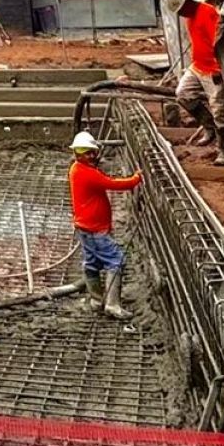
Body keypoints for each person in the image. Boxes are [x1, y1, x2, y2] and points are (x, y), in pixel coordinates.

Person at [66, 131, 142, 320]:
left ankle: (96, 300)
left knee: (91, 262)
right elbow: (113, 184)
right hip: (95, 229)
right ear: (77, 153)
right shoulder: (88, 173)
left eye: (92, 152)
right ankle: (112, 304)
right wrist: (136, 179)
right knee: (115, 261)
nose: (91, 156)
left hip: (84, 227)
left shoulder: (76, 169)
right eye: (86, 153)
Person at [175, 0, 224, 165]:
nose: (182, 14)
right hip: (197, 66)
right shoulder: (189, 17)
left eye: (182, 9)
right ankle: (209, 127)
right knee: (183, 94)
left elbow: (220, 42)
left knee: (220, 110)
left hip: (212, 69)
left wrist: (219, 70)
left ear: (187, 2)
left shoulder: (207, 13)